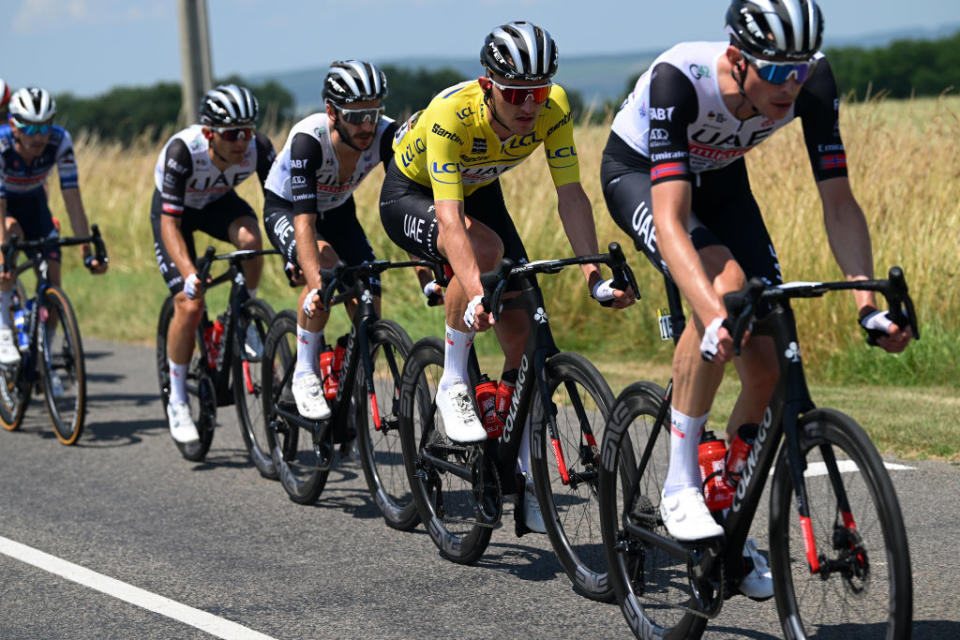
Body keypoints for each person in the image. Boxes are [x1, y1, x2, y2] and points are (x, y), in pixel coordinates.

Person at [601, 0, 912, 599]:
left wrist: (867, 306)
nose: (789, 87)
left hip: (721, 180)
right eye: (775, 72)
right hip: (643, 175)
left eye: (799, 72)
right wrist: (715, 313)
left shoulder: (811, 82)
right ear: (738, 60)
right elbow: (670, 221)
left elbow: (839, 203)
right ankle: (681, 483)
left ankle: (727, 512)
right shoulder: (679, 79)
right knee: (725, 293)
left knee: (766, 367)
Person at [380, 21, 633, 531]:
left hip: (480, 190)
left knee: (528, 331)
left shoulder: (553, 109)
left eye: (538, 92)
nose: (529, 105)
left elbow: (571, 195)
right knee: (486, 251)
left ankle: (522, 468)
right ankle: (454, 376)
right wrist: (475, 293)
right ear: (488, 84)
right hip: (415, 193)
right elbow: (450, 221)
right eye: (516, 93)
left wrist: (592, 275)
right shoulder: (452, 115)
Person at [263, 60, 433, 421]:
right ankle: (305, 372)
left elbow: (404, 207)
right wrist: (314, 284)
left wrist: (425, 272)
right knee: (325, 273)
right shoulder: (309, 140)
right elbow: (305, 224)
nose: (366, 125)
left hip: (339, 208)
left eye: (373, 113)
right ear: (331, 112)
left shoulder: (387, 136)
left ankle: (348, 379)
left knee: (370, 290)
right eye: (355, 117)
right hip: (290, 209)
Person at [152, 84, 275, 444]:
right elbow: (169, 225)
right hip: (176, 216)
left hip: (218, 203)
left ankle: (245, 316)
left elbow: (277, 205)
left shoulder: (259, 148)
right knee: (189, 305)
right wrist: (189, 274)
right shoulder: (182, 152)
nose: (242, 142)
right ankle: (176, 398)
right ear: (209, 134)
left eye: (248, 131)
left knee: (251, 241)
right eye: (232, 134)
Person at [0, 87, 108, 374]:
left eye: (45, 126)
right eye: (29, 128)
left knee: (53, 280)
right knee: (9, 241)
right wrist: (3, 254)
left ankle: (42, 354)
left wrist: (86, 249)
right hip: (4, 206)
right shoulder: (1, 145)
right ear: (13, 125)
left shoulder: (60, 140)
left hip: (35, 204)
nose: (38, 136)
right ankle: (3, 331)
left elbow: (72, 196)